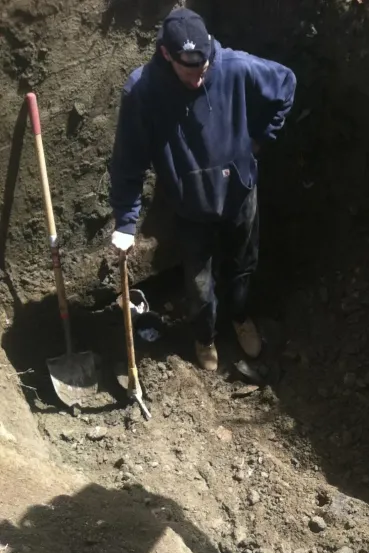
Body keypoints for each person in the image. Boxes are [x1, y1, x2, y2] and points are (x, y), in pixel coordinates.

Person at [109, 8, 296, 371]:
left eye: (204, 68)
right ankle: (205, 336)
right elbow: (128, 160)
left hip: (240, 192)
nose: (198, 77)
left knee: (243, 265)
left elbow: (285, 83)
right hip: (191, 204)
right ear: (166, 54)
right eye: (188, 69)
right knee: (199, 282)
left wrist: (260, 139)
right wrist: (126, 222)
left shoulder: (234, 67)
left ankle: (240, 318)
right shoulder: (144, 92)